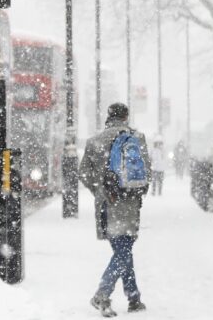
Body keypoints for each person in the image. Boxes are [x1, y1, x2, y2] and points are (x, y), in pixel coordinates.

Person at [79, 102, 150, 317]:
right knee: (123, 249)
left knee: (121, 249)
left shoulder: (94, 142)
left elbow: (83, 172)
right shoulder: (137, 138)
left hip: (106, 204)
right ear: (126, 116)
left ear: (108, 117)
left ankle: (133, 296)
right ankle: (104, 294)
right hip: (130, 203)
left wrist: (100, 190)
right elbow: (147, 169)